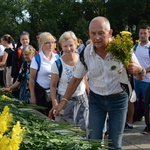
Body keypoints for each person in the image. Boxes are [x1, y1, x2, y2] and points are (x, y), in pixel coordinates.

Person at [52, 16, 145, 149]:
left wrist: (140, 70)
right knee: (94, 139)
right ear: (89, 34)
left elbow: (140, 76)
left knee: (115, 142)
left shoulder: (122, 50)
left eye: (101, 33)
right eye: (93, 33)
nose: (97, 37)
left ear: (110, 33)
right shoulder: (86, 53)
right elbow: (76, 80)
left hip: (118, 100)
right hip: (96, 100)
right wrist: (63, 102)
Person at [48, 31, 89, 131]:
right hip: (65, 102)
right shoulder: (57, 64)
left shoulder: (82, 60)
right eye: (65, 46)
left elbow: (85, 80)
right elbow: (53, 86)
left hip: (82, 100)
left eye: (71, 45)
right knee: (66, 131)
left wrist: (89, 95)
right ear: (61, 46)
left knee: (83, 130)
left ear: (76, 44)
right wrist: (55, 104)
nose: (68, 49)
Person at [29, 32, 59, 116]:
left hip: (54, 92)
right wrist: (32, 96)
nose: (51, 45)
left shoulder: (57, 57)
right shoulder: (37, 59)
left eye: (52, 42)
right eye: (47, 43)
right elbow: (31, 79)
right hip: (40, 93)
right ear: (42, 44)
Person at [134, 25, 150, 134]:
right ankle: (136, 118)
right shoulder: (135, 47)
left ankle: (148, 126)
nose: (142, 35)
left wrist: (143, 71)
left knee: (148, 104)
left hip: (147, 81)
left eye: (145, 33)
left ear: (149, 34)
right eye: (141, 33)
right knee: (135, 101)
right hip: (136, 80)